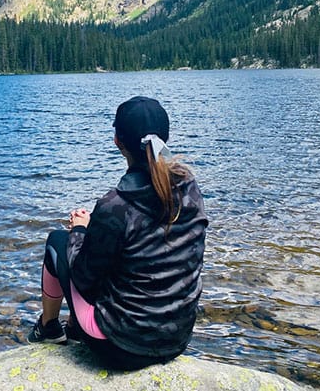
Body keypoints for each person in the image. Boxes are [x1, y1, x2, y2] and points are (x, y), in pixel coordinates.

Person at [27, 96, 208, 370]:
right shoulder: (189, 187)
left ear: (117, 142)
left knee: (57, 243)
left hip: (122, 347)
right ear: (166, 138)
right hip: (176, 338)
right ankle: (73, 328)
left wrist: (79, 230)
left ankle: (49, 328)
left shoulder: (115, 206)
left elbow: (83, 279)